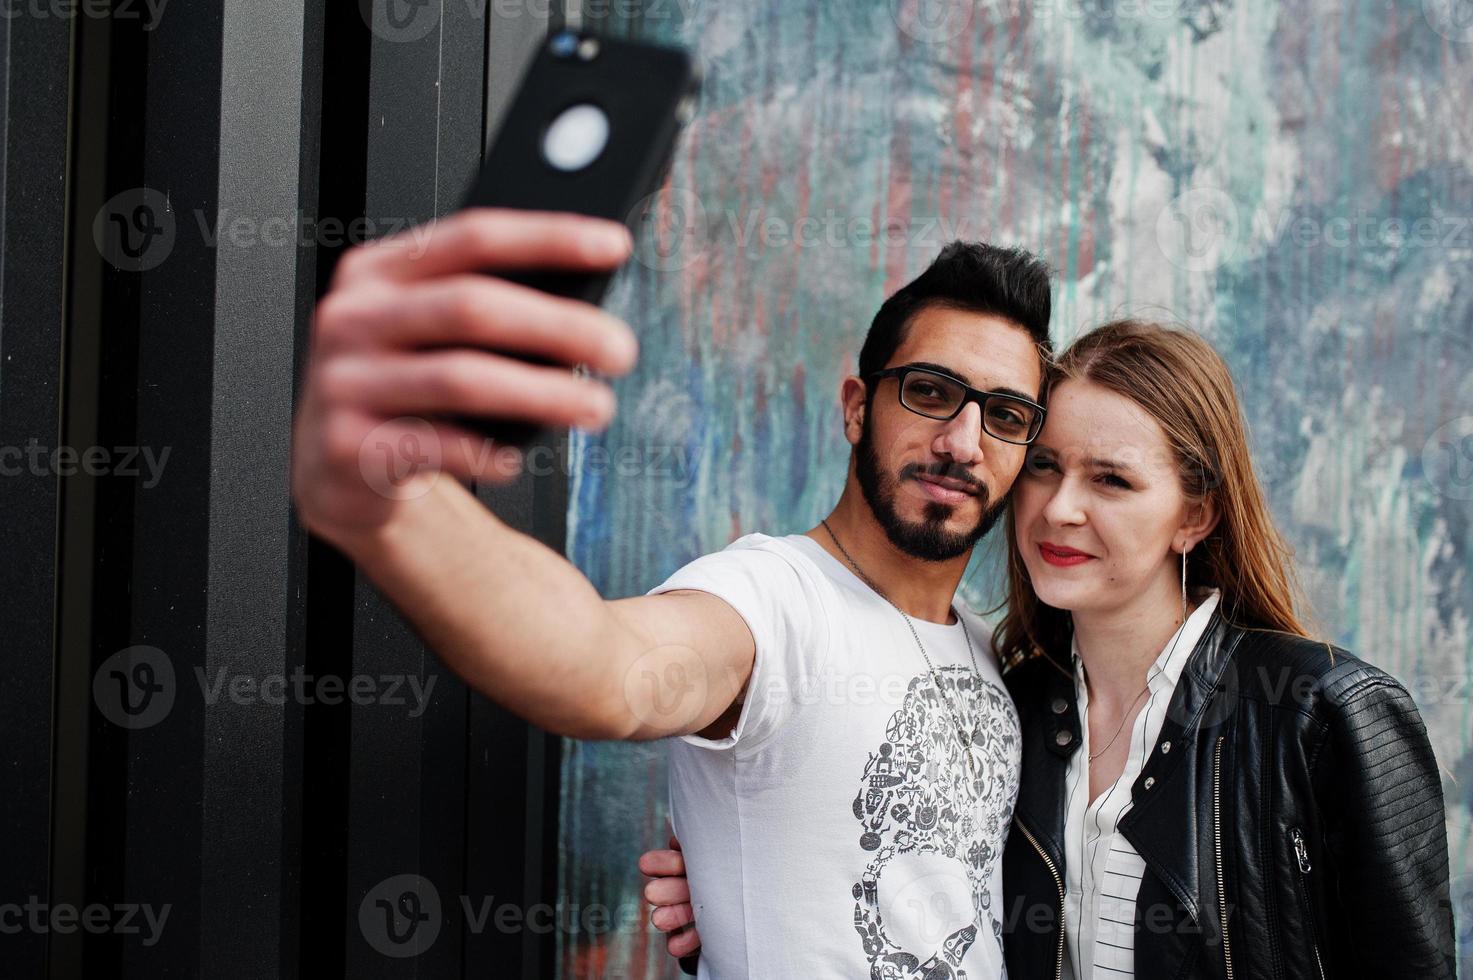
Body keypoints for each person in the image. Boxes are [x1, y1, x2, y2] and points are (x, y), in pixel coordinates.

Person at [290, 206, 1058, 976]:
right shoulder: (771, 600)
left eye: (1004, 415)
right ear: (857, 407)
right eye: (928, 392)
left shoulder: (990, 654)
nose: (962, 442)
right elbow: (599, 665)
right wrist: (390, 496)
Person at [643, 319, 1455, 979]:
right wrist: (735, 887)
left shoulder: (1321, 713)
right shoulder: (1007, 706)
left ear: (1194, 516)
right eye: (1042, 467)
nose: (1060, 509)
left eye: (1111, 480)